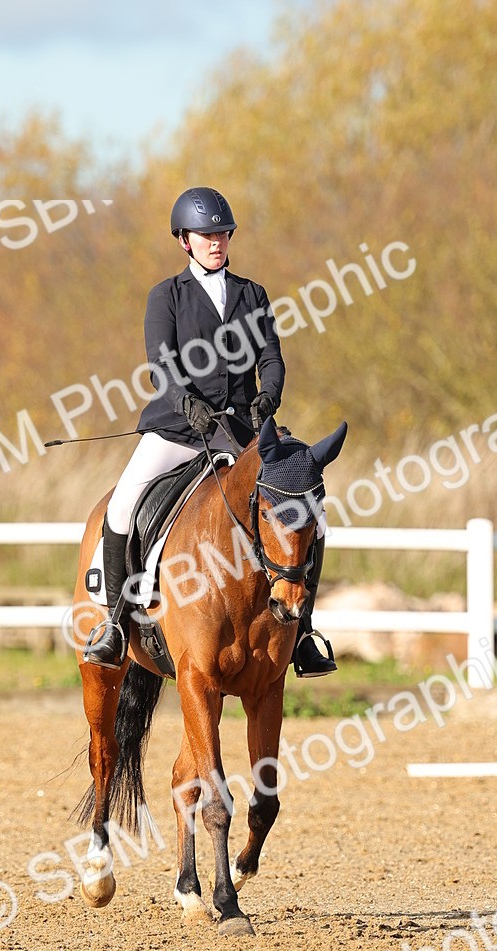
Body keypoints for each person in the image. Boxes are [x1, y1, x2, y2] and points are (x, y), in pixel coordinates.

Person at [83, 186, 336, 677]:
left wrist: (269, 396)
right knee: (122, 504)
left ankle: (302, 632)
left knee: (306, 510)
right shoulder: (167, 296)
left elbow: (271, 356)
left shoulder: (252, 293)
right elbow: (161, 364)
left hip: (243, 430)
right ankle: (114, 624)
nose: (217, 241)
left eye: (223, 234)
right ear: (185, 241)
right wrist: (186, 404)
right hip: (178, 428)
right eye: (207, 235)